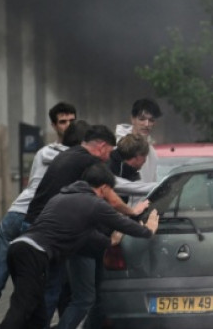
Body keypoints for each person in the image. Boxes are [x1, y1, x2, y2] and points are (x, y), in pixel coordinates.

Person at [0, 164, 159, 329]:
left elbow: (85, 235)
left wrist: (109, 242)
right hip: (34, 253)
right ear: (104, 188)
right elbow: (122, 223)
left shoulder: (60, 198)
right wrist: (148, 231)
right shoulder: (94, 203)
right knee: (22, 308)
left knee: (38, 316)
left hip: (18, 248)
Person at [0, 102, 76, 329]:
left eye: (71, 121)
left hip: (16, 216)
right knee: (42, 286)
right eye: (63, 121)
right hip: (29, 221)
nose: (67, 125)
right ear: (54, 125)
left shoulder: (43, 152)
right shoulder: (66, 155)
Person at [79, 134, 150, 329]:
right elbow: (115, 200)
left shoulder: (129, 171)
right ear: (137, 157)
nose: (145, 162)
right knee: (88, 296)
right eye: (145, 157)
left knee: (94, 294)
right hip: (90, 237)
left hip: (99, 235)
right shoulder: (109, 169)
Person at [115, 98, 163, 183]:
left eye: (151, 120)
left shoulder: (151, 151)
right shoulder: (118, 146)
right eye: (142, 119)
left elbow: (153, 182)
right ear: (132, 119)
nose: (146, 124)